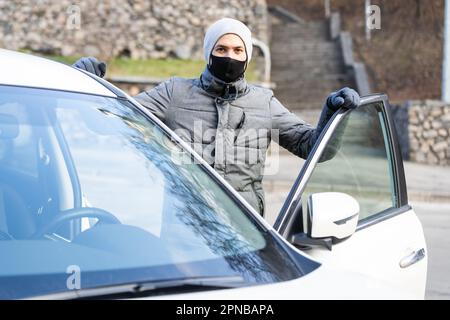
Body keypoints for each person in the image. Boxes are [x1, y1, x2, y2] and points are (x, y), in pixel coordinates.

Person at [73, 17, 360, 217]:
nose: (230, 57)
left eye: (238, 50)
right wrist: (87, 85)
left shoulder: (264, 102)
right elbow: (112, 118)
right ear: (209, 53)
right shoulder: (176, 93)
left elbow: (313, 148)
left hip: (247, 230)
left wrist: (334, 114)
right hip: (184, 226)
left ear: (247, 57)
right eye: (221, 49)